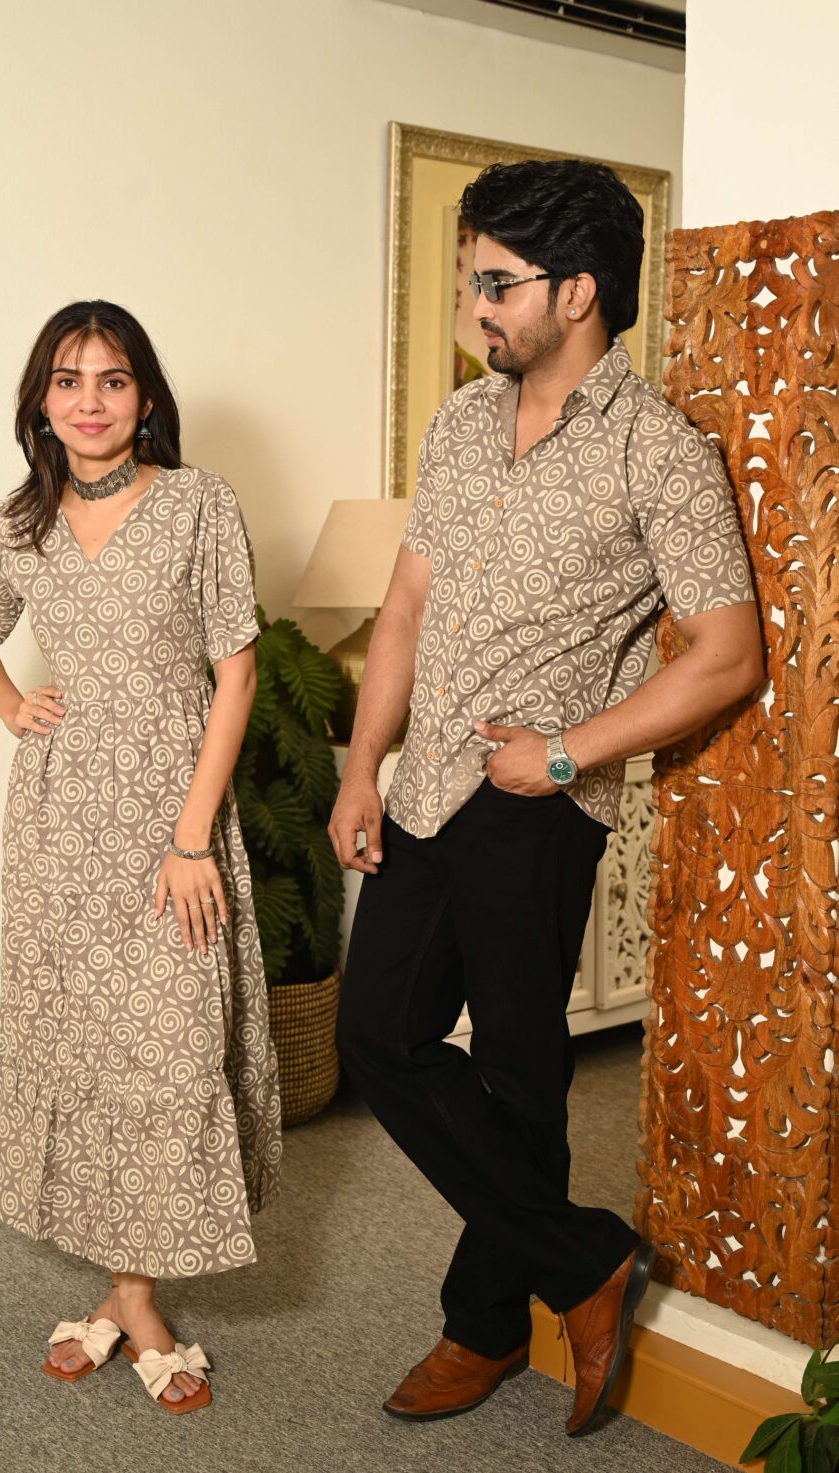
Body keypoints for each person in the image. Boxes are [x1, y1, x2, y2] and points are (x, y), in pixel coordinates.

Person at [330, 159, 763, 1438]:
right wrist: (361, 764)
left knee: (519, 1074)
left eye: (496, 282)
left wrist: (568, 753)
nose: (476, 306)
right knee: (378, 1037)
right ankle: (585, 1261)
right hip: (424, 787)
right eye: (472, 280)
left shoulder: (659, 454)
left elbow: (726, 655)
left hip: (534, 802)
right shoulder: (461, 423)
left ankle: (478, 1328)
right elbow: (404, 607)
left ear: (577, 290)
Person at [0, 301, 281, 1414]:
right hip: (58, 825)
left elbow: (236, 675)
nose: (88, 401)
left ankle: (124, 1302)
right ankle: (133, 1301)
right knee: (85, 1047)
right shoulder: (12, 524)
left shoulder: (197, 504)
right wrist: (10, 704)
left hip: (171, 813)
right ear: (40, 402)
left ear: (145, 400)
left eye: (113, 379)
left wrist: (191, 838)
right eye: (67, 379)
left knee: (169, 1047)